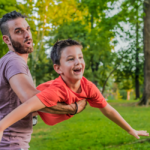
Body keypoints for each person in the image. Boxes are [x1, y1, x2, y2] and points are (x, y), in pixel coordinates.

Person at [0, 39, 149, 145]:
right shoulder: (56, 91)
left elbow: (108, 110)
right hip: (24, 103)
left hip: (44, 107)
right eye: (71, 59)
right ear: (58, 68)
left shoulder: (88, 87)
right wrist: (1, 126)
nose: (78, 62)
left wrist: (130, 129)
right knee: (26, 108)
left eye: (80, 57)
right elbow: (27, 105)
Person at [0, 11, 87, 150]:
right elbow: (32, 99)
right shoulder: (14, 62)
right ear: (7, 39)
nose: (27, 35)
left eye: (27, 29)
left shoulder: (8, 62)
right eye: (19, 31)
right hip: (10, 144)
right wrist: (74, 108)